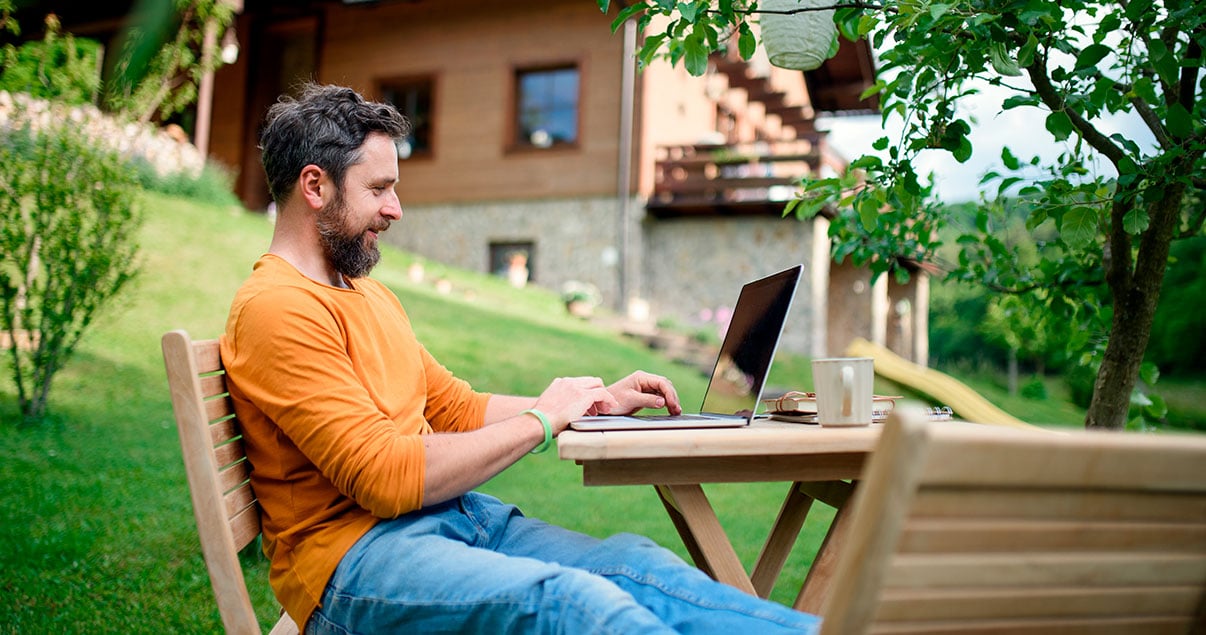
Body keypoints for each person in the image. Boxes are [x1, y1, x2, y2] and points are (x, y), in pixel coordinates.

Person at [220, 83, 821, 634]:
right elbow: (383, 478)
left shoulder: (366, 293)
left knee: (640, 569)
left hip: (453, 522)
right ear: (315, 186)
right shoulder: (277, 309)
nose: (396, 209)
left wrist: (589, 401)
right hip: (355, 567)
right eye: (378, 189)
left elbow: (453, 406)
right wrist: (542, 420)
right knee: (577, 608)